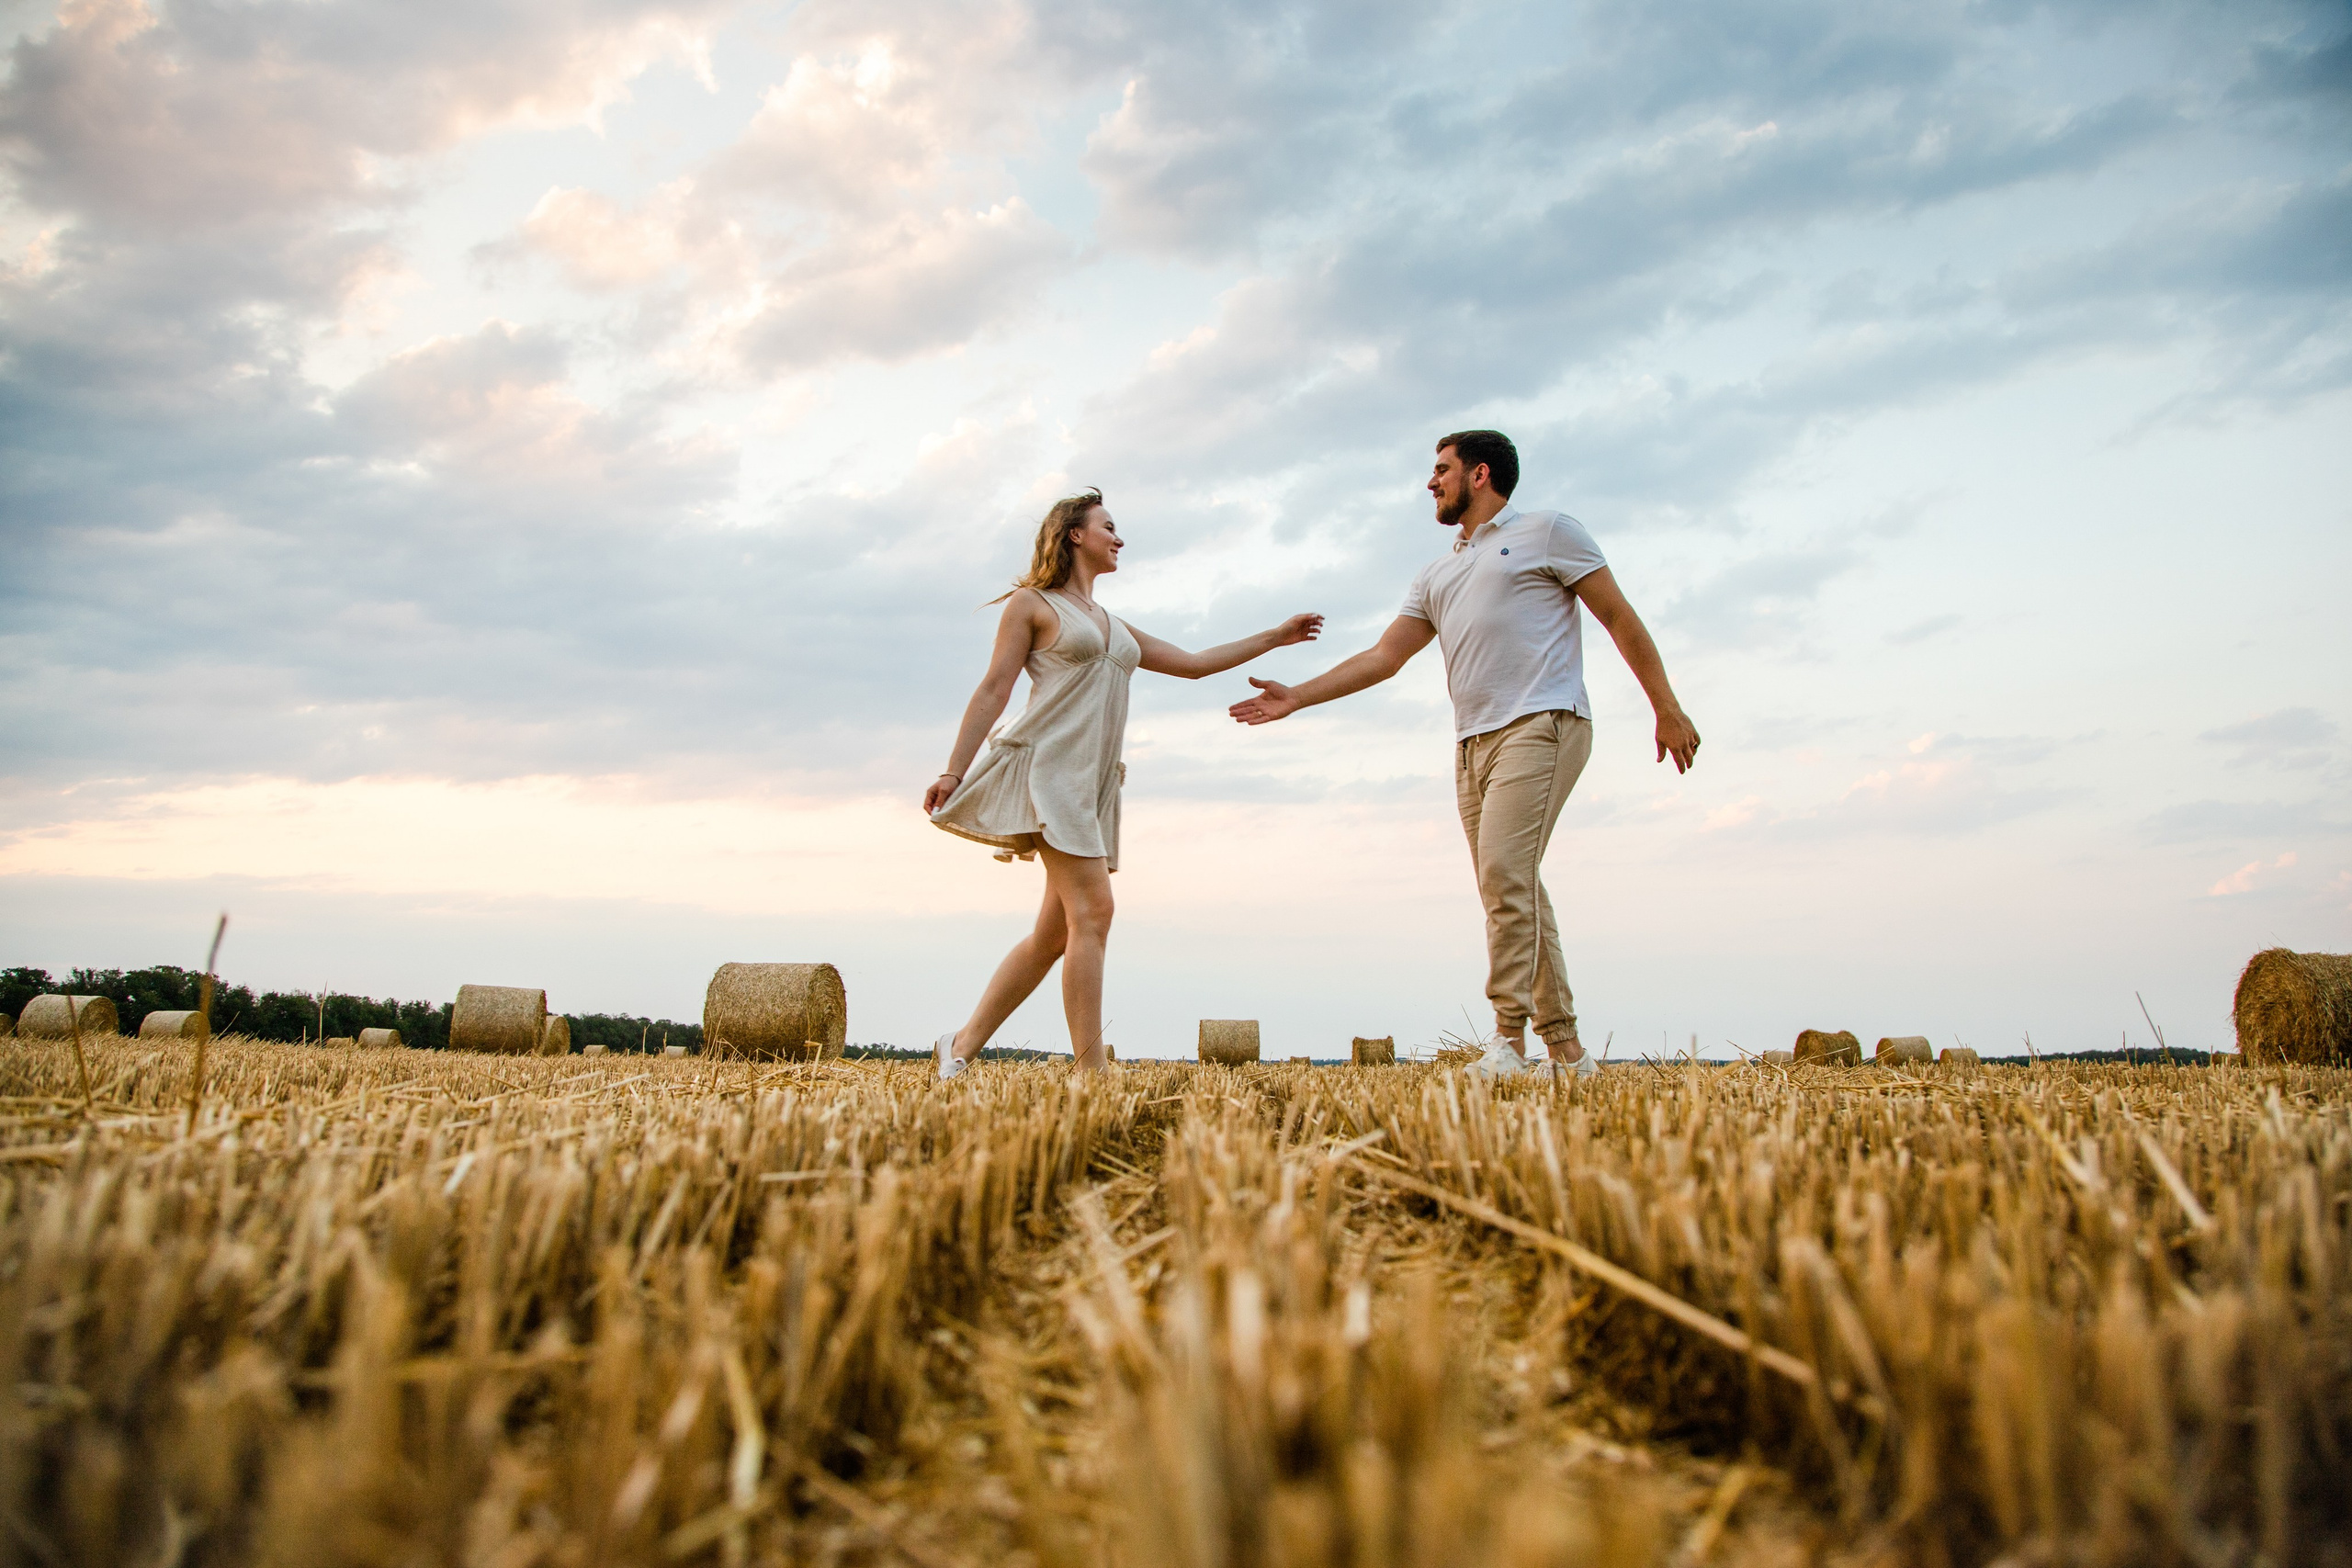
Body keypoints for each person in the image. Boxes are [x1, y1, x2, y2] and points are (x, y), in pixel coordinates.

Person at [1228, 431, 1698, 1078]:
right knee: (1513, 884)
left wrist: (1665, 706)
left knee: (1506, 875)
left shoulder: (1549, 531)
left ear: (1480, 475)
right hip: (1471, 744)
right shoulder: (1438, 572)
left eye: (1440, 469)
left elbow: (1619, 616)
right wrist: (1298, 696)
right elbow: (1383, 658)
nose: (1430, 481)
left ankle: (1507, 1041)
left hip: (1543, 721)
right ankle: (1568, 1052)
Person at [924, 489, 1324, 1078]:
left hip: (1093, 783)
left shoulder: (1113, 624)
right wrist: (953, 769)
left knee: (1053, 934)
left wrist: (1275, 636)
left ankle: (957, 1046)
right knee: (1094, 911)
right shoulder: (1031, 605)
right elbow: (994, 689)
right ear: (1074, 535)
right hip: (1050, 771)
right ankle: (1092, 1072)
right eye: (1108, 527)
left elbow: (1192, 663)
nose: (1119, 538)